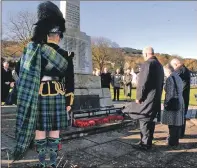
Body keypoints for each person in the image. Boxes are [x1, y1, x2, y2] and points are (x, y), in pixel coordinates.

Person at [12, 2, 73, 168]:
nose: (56, 37)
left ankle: (46, 164)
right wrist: (68, 101)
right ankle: (48, 164)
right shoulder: (59, 53)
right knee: (49, 131)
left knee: (44, 131)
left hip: (42, 96)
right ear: (57, 34)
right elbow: (70, 81)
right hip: (52, 97)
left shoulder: (34, 50)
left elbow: (18, 71)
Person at [123, 47, 164, 150]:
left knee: (144, 119)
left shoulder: (147, 64)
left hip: (147, 97)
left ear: (146, 54)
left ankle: (145, 144)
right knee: (151, 119)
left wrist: (139, 97)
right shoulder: (159, 65)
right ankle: (148, 141)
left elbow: (142, 83)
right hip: (156, 97)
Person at [162, 64, 184, 146]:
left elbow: (169, 94)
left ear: (167, 70)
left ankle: (172, 142)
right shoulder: (178, 77)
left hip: (173, 102)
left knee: (172, 123)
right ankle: (175, 141)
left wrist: (166, 103)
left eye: (164, 71)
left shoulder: (170, 78)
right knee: (176, 123)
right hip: (180, 101)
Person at [170, 58, 191, 138]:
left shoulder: (180, 70)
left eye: (173, 67)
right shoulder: (185, 69)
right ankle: (180, 134)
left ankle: (178, 135)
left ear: (175, 64)